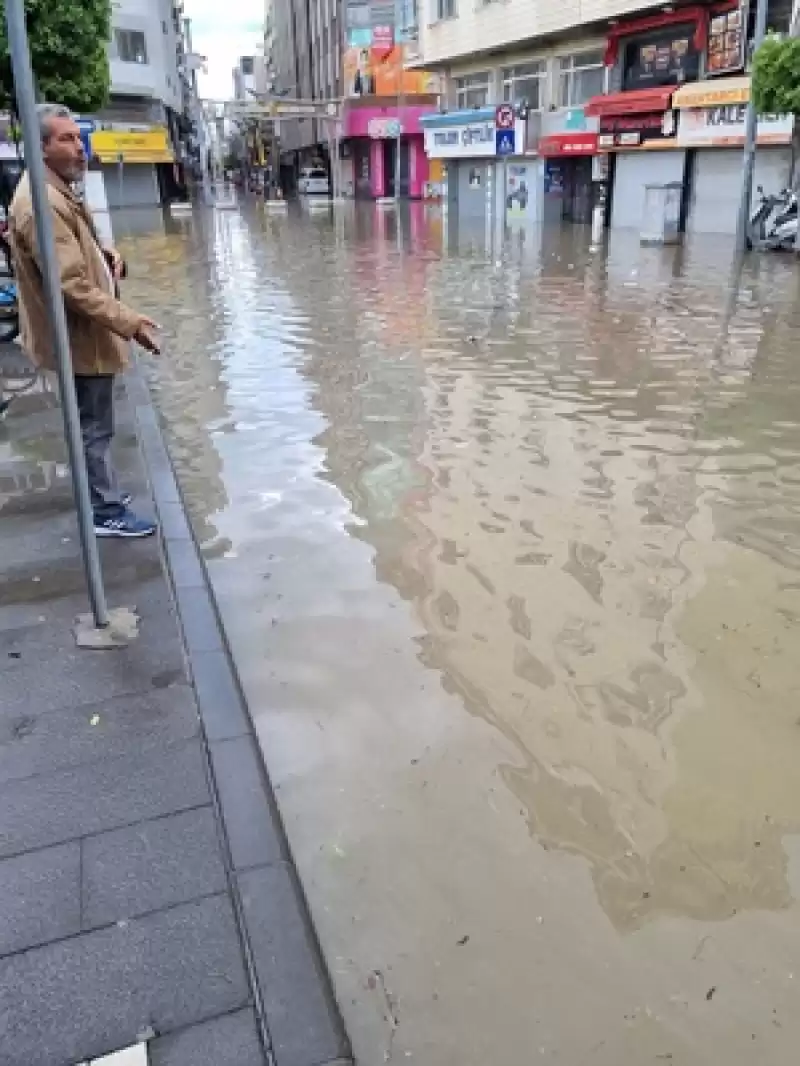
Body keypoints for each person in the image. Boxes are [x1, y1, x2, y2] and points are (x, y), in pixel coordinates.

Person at [8, 103, 161, 538]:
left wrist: (108, 258)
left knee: (95, 424)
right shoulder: (41, 203)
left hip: (83, 334)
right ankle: (105, 511)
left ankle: (103, 494)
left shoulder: (55, 190)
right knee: (94, 428)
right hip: (77, 339)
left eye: (79, 137)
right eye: (67, 139)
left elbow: (80, 252)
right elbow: (70, 284)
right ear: (40, 148)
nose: (80, 147)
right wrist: (129, 321)